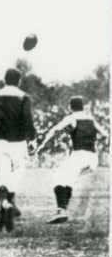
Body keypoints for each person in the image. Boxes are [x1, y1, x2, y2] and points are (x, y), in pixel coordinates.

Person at [0, 68, 36, 235]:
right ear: (19, 81)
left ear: (4, 80)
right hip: (18, 144)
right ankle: (7, 210)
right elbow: (28, 121)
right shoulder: (24, 97)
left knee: (2, 183)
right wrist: (32, 139)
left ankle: (5, 211)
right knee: (12, 184)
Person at [34, 96, 107, 224]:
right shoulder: (91, 119)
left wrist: (43, 144)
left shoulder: (72, 118)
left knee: (58, 176)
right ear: (83, 106)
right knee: (69, 180)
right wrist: (99, 146)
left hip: (80, 155)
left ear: (70, 107)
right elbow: (106, 135)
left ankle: (61, 211)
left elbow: (55, 129)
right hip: (92, 159)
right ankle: (63, 211)